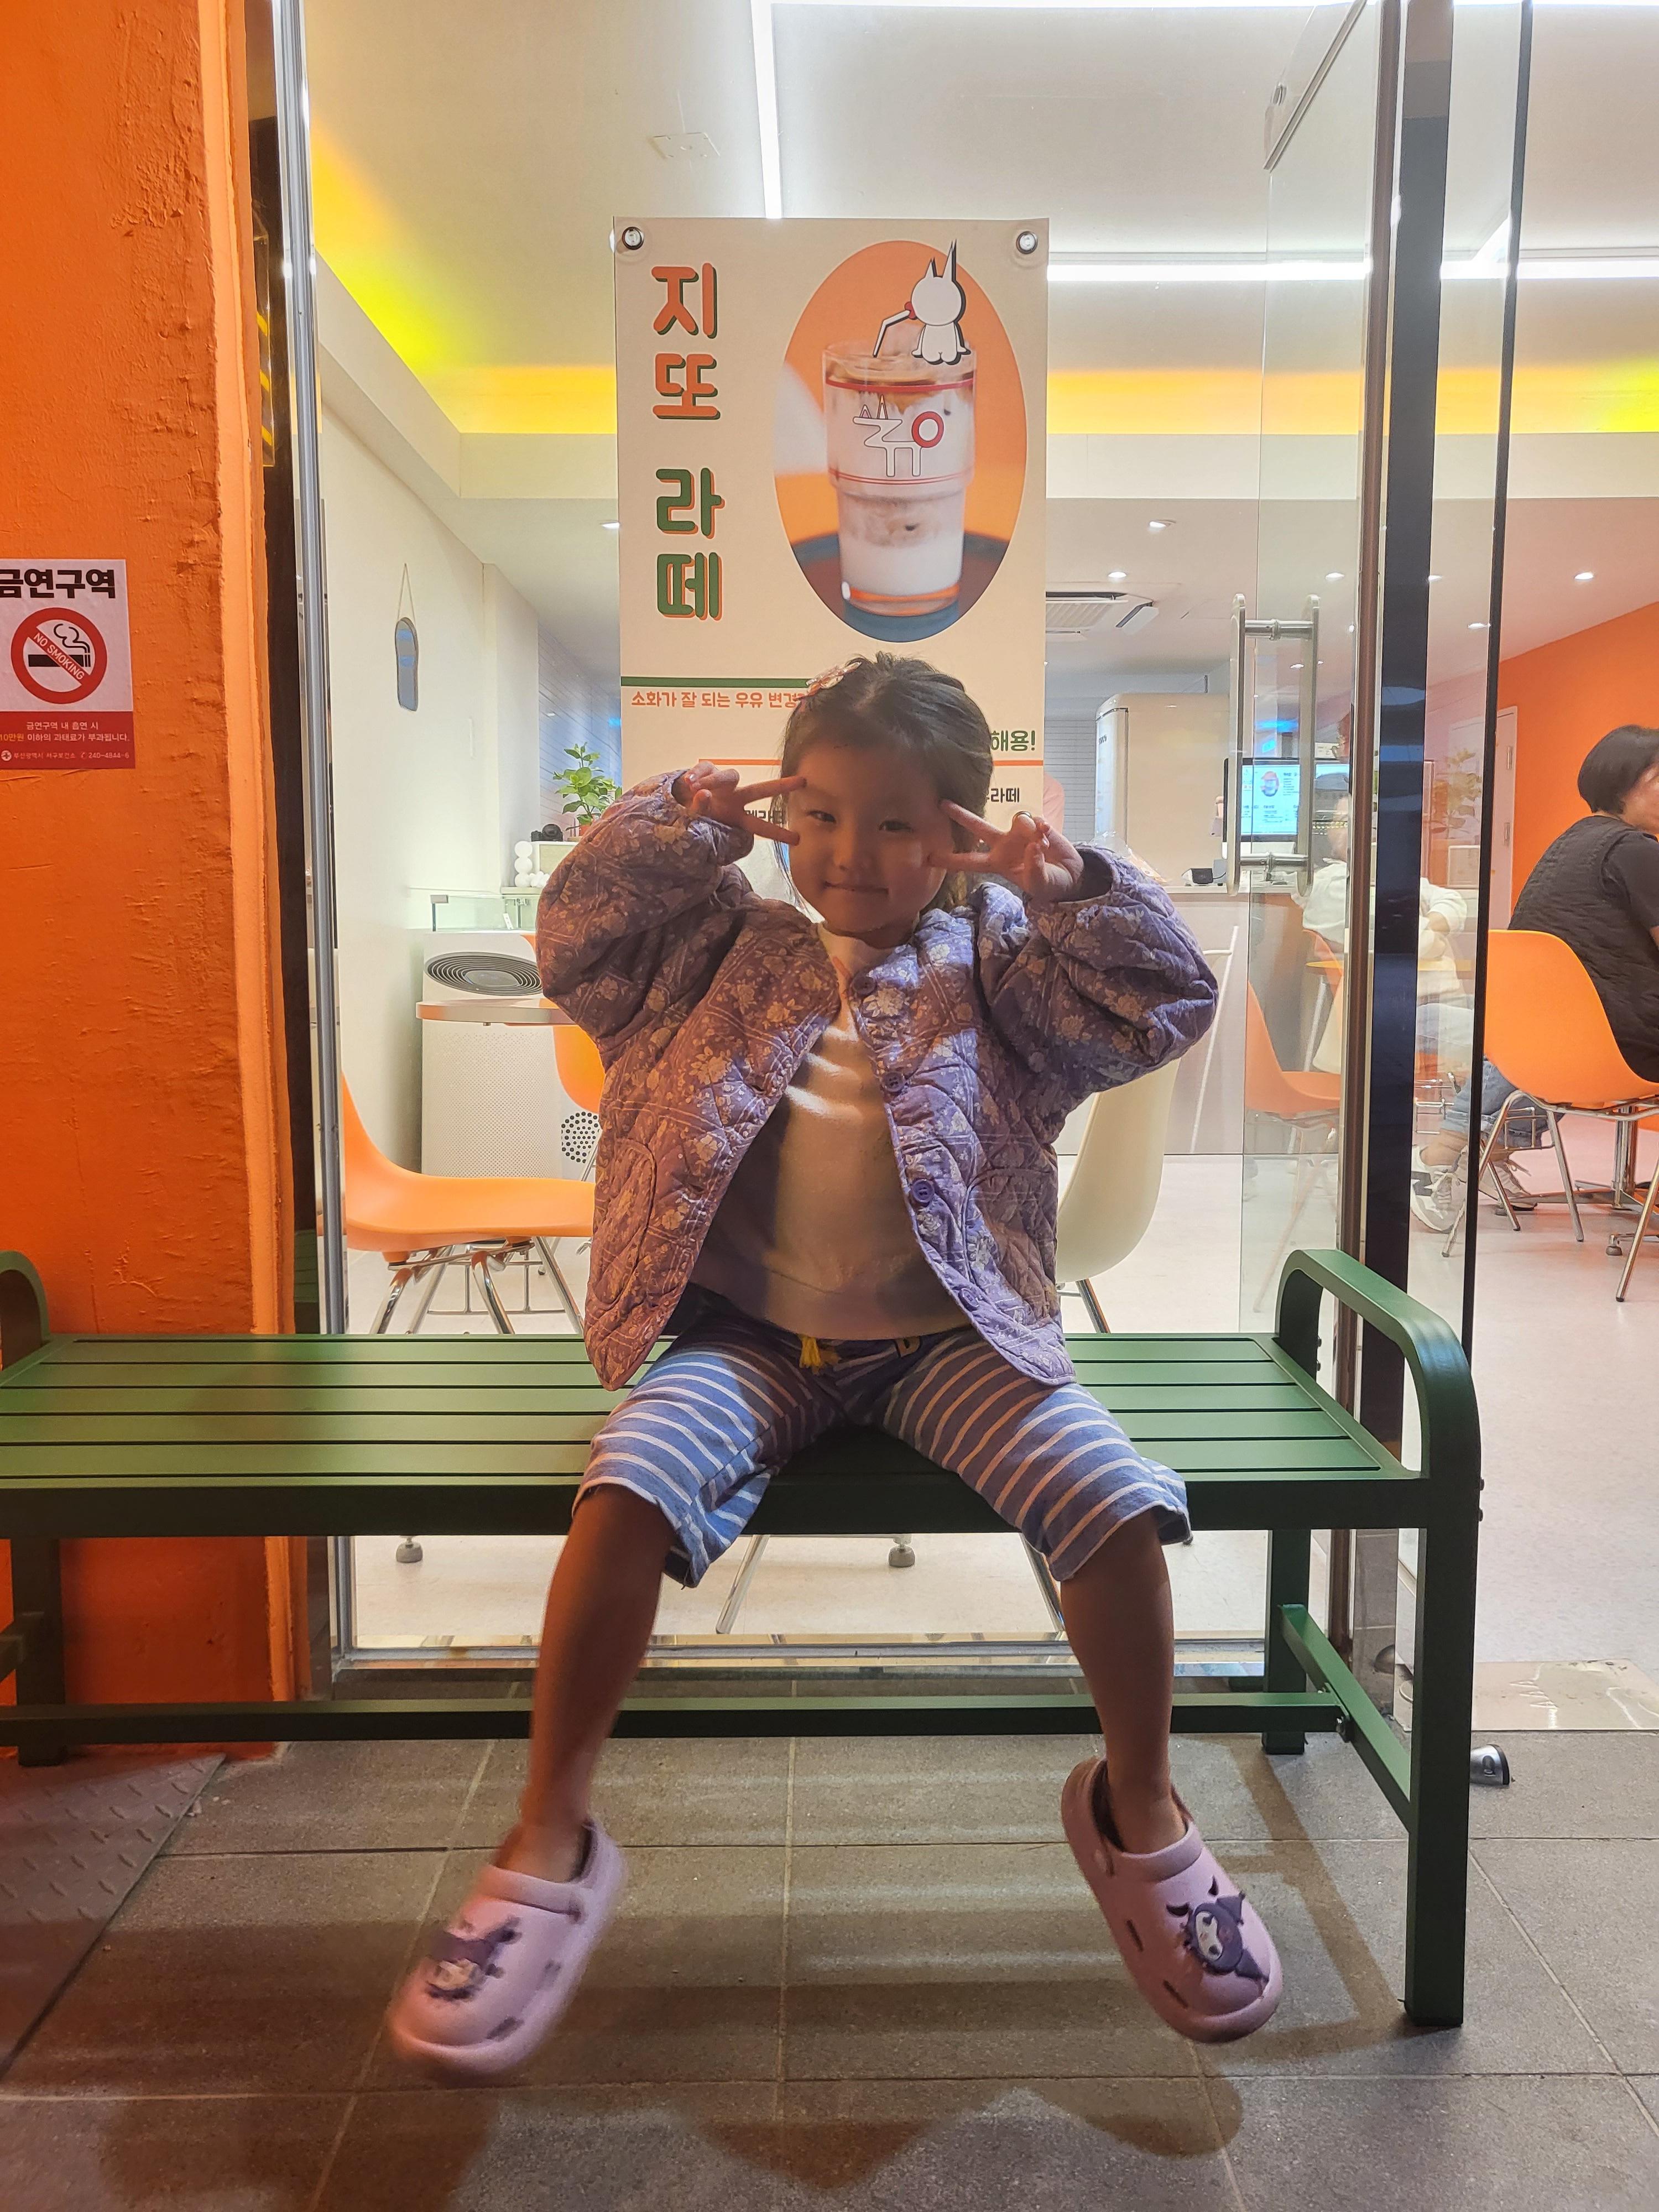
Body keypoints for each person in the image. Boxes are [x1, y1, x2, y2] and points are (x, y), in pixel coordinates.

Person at [385, 653, 1281, 2074]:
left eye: (894, 822)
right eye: (818, 814)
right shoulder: (712, 949)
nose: (848, 852)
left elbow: (1163, 1003)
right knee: (624, 1488)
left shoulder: (1002, 962)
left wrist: (1069, 889)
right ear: (780, 812)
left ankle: (1144, 1807)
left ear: (960, 834)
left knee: (1112, 1503)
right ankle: (547, 1828)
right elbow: (575, 940)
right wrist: (678, 822)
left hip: (948, 1340)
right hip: (744, 1339)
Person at [1412, 723, 1659, 1230]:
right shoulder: (1636, 850)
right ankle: (1456, 1149)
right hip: (1614, 1045)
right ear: (1623, 782)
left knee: (1536, 1027)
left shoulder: (1570, 843)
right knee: (1567, 1024)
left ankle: (1473, 1146)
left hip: (1546, 1041)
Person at [1301, 790, 1470, 1079]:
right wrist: (1433, 931)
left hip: (1420, 1001)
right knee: (1493, 1034)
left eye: (1365, 822)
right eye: (1343, 822)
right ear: (1325, 832)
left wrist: (1427, 924)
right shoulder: (1330, 886)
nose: (1356, 830)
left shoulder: (1379, 875)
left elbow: (1453, 902)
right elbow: (1414, 940)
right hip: (1390, 1016)